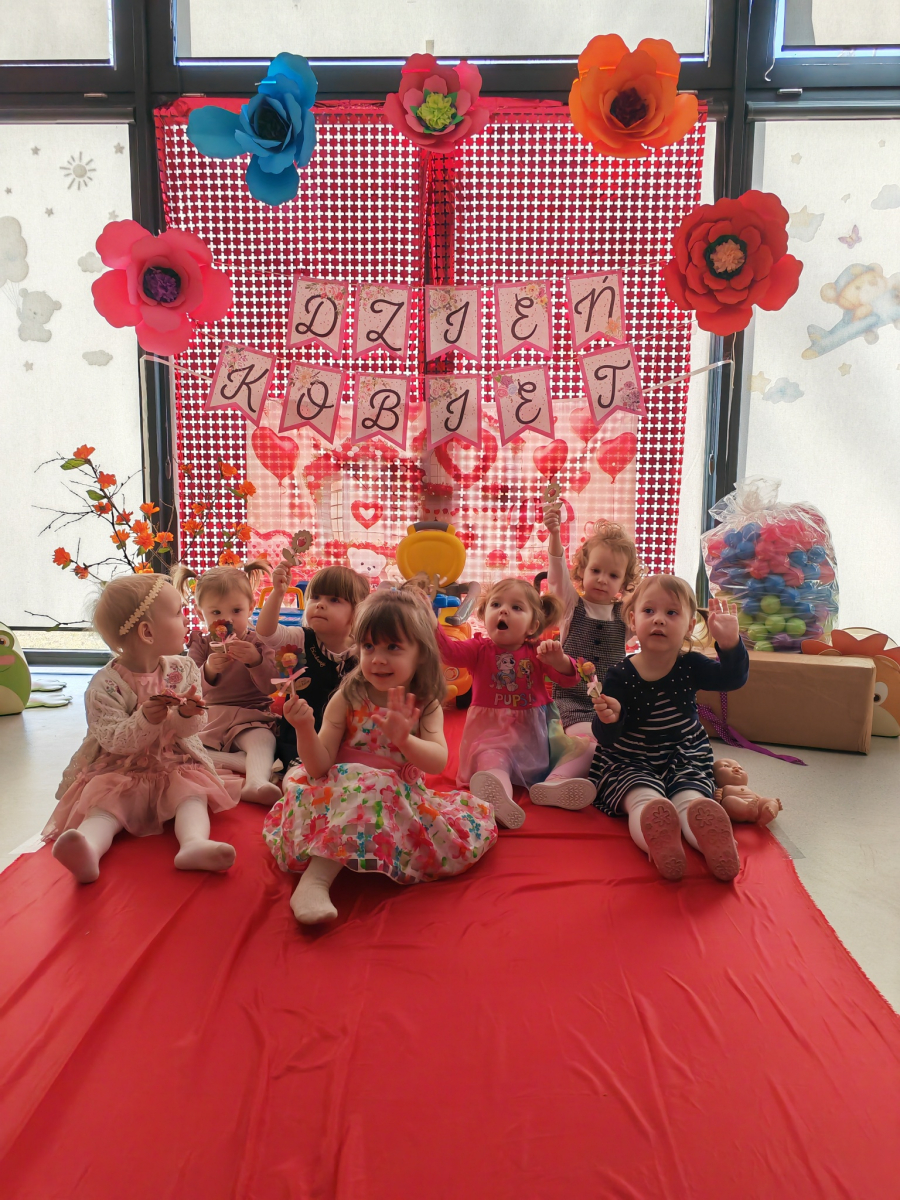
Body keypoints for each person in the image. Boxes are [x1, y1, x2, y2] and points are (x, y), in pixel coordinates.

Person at [263, 589, 498, 925]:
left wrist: (405, 740)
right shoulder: (349, 696)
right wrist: (303, 729)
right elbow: (318, 766)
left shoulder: (425, 703)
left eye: (393, 647)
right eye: (369, 646)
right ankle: (314, 883)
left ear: (421, 654)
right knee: (363, 785)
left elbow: (436, 762)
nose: (378, 658)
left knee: (379, 786)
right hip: (336, 793)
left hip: (396, 798)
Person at [44, 573, 237, 883]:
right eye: (178, 612)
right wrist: (144, 719)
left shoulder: (183, 668)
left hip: (174, 764)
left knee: (192, 793)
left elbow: (191, 729)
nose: (187, 619)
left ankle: (193, 844)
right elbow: (113, 739)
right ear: (147, 632)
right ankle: (88, 850)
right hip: (120, 769)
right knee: (104, 806)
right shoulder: (105, 685)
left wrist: (187, 713)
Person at [590, 575, 748, 882]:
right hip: (630, 759)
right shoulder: (620, 674)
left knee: (691, 797)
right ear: (633, 620)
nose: (659, 619)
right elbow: (605, 737)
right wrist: (610, 717)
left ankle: (713, 843)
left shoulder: (692, 665)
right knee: (642, 798)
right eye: (649, 611)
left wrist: (730, 644)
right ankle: (661, 843)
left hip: (683, 755)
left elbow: (732, 679)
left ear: (690, 626)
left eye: (671, 612)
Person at [435, 578, 579, 829]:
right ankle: (500, 798)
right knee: (492, 762)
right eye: (496, 605)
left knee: (585, 750)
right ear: (484, 614)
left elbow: (569, 680)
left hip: (534, 738)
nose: (503, 611)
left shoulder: (538, 651)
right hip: (492, 736)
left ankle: (554, 783)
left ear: (533, 625)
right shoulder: (479, 649)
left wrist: (560, 660)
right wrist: (431, 622)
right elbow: (449, 653)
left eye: (516, 607)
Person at [533, 502, 639, 811]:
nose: (603, 579)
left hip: (611, 706)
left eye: (613, 575)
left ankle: (606, 786)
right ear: (582, 571)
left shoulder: (625, 616)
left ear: (624, 583)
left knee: (625, 749)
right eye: (595, 571)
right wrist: (555, 533)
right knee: (591, 745)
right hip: (573, 703)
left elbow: (650, 617)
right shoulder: (571, 605)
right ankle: (555, 782)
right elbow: (556, 573)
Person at [173, 563, 280, 805]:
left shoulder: (259, 642)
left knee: (264, 739)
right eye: (216, 612)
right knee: (180, 746)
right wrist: (208, 669)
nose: (227, 620)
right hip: (210, 716)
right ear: (200, 613)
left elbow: (271, 686)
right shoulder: (200, 644)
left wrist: (255, 661)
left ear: (251, 607)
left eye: (236, 610)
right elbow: (189, 688)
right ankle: (242, 762)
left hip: (250, 715)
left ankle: (256, 782)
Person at [254, 563, 369, 769]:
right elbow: (266, 633)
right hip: (300, 739)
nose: (320, 604)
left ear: (357, 611)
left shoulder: (363, 650)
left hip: (346, 743)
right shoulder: (301, 638)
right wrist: (278, 593)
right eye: (315, 597)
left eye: (334, 600)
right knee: (303, 777)